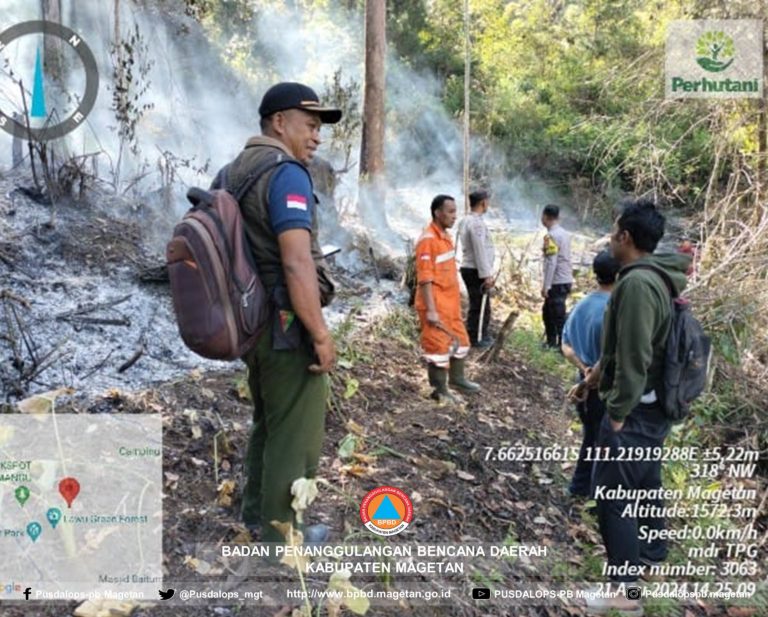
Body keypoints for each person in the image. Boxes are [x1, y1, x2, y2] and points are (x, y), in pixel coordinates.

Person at [218, 82, 341, 544]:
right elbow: (295, 260)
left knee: (268, 422)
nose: (316, 137)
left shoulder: (231, 173)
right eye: (309, 125)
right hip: (286, 328)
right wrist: (322, 335)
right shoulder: (286, 173)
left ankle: (256, 517)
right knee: (296, 435)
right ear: (278, 122)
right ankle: (281, 540)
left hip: (248, 324)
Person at [582, 198, 692, 616]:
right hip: (652, 409)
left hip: (637, 409)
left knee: (611, 494)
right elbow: (618, 349)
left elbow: (634, 356)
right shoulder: (652, 276)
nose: (610, 238)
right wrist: (592, 379)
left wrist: (616, 413)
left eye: (614, 232)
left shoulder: (637, 284)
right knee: (644, 476)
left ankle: (623, 591)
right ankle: (652, 547)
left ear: (626, 237)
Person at [560, 250, 620, 497]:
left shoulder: (581, 305)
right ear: (619, 275)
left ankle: (580, 488)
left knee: (591, 437)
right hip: (599, 387)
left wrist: (582, 368)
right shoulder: (615, 311)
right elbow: (610, 356)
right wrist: (590, 377)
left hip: (583, 383)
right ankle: (590, 492)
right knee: (602, 443)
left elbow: (565, 346)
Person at [415, 195, 480, 401]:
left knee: (461, 341)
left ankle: (456, 378)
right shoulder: (428, 240)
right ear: (437, 213)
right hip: (435, 305)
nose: (455, 216)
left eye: (455, 211)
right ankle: (439, 390)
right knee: (438, 348)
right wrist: (431, 310)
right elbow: (425, 279)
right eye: (450, 212)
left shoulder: (445, 237)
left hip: (449, 304)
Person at [459, 189, 496, 347]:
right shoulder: (476, 223)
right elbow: (479, 249)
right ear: (483, 203)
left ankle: (475, 333)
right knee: (481, 306)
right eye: (488, 202)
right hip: (475, 269)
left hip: (470, 267)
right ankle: (478, 337)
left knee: (477, 303)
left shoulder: (466, 220)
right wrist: (486, 275)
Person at [540, 204, 574, 348]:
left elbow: (551, 262)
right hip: (565, 278)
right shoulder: (564, 233)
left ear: (545, 217)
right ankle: (552, 342)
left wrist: (546, 285)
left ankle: (562, 345)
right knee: (548, 312)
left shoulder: (551, 236)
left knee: (557, 315)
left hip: (557, 280)